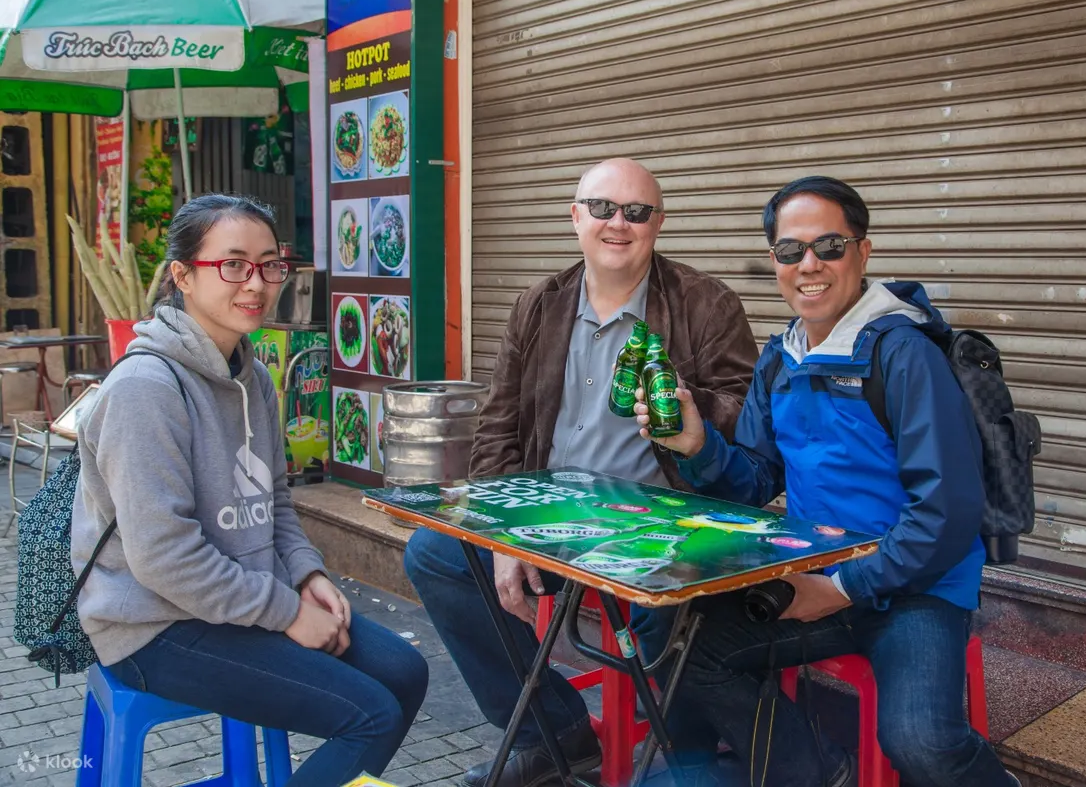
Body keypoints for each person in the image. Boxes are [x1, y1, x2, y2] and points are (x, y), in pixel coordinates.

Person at [634, 176, 1021, 787]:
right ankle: (816, 774)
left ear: (863, 252)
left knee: (920, 742)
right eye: (791, 251)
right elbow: (755, 481)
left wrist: (843, 586)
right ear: (775, 263)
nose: (809, 265)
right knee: (678, 646)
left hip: (916, 589)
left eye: (830, 246)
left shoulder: (903, 354)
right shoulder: (780, 357)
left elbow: (946, 514)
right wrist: (697, 443)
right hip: (817, 571)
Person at [403, 158, 758, 787]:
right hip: (552, 511)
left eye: (636, 211)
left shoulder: (705, 303)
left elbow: (747, 411)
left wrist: (692, 410)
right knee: (435, 554)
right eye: (602, 208)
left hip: (660, 519)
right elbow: (497, 425)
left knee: (675, 607)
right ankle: (557, 734)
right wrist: (502, 534)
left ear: (659, 223)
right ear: (575, 217)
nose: (618, 223)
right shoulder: (540, 304)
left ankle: (681, 754)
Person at [72, 195, 429, 787]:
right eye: (233, 264)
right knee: (368, 714)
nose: (256, 283)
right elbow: (164, 557)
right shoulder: (144, 390)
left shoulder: (253, 375)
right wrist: (287, 613)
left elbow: (276, 503)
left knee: (406, 671)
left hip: (238, 599)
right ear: (183, 276)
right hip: (154, 625)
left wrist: (308, 575)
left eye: (269, 265)